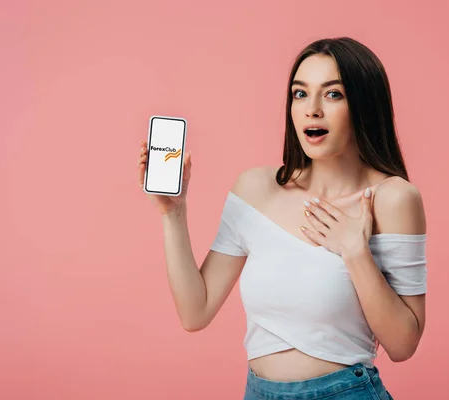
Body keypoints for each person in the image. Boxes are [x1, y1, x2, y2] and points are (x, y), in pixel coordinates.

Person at [137, 37, 427, 400]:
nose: (312, 109)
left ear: (364, 105)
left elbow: (403, 345)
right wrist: (173, 212)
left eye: (333, 94)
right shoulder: (255, 188)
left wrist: (356, 253)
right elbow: (195, 312)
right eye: (300, 94)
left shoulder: (393, 199)